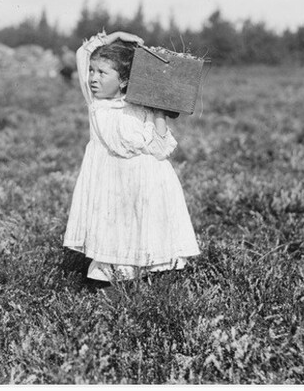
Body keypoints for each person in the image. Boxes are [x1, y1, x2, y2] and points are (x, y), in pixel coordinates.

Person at [63, 30, 201, 282]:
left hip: (146, 182)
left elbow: (161, 149)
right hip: (110, 182)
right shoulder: (96, 104)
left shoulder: (140, 107)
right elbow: (83, 53)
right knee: (115, 232)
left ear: (124, 81)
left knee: (145, 230)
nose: (93, 77)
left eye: (102, 73)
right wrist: (114, 36)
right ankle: (110, 284)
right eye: (92, 71)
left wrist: (159, 112)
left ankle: (151, 284)